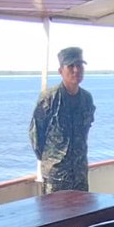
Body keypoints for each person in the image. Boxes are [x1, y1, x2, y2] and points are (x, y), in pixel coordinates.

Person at [30, 47, 95, 192]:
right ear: (60, 71)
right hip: (56, 177)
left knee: (83, 213)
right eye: (71, 66)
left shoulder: (86, 99)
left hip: (79, 174)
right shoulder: (49, 98)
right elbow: (36, 135)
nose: (76, 70)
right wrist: (52, 161)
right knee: (55, 214)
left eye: (79, 65)